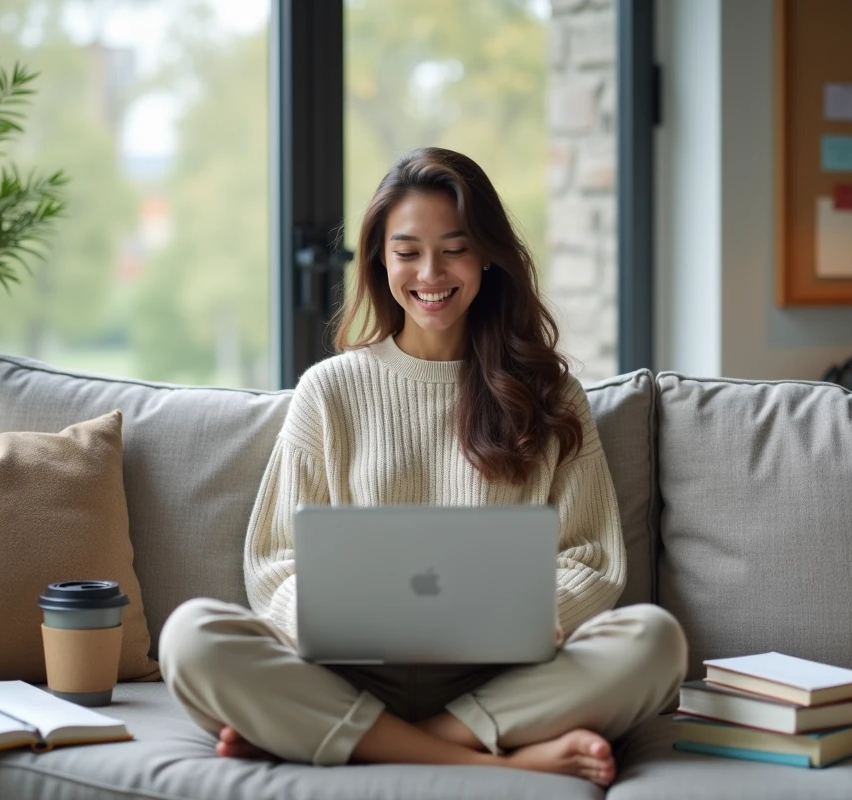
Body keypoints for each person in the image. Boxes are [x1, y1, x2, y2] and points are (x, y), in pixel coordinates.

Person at [159, 147, 687, 787]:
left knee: (654, 642)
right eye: (407, 251)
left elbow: (592, 557)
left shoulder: (550, 394)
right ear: (380, 261)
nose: (430, 273)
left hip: (502, 677)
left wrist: (537, 609)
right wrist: (323, 620)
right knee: (191, 637)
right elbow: (273, 562)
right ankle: (486, 757)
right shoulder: (329, 390)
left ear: (487, 255)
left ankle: (340, 738)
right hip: (348, 672)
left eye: (454, 249)